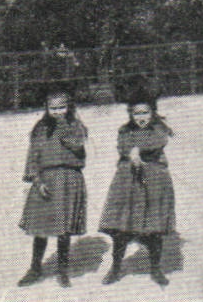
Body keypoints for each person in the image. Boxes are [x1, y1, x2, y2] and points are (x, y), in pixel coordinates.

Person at [98, 81, 176, 287]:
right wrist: (130, 151)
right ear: (130, 114)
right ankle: (115, 268)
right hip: (128, 183)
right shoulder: (124, 131)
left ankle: (156, 269)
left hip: (154, 183)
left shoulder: (160, 128)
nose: (141, 118)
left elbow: (158, 142)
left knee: (153, 229)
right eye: (136, 114)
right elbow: (122, 146)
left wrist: (137, 149)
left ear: (153, 112)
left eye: (145, 113)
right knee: (122, 229)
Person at [17, 90, 89, 287]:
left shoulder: (76, 126)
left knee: (63, 228)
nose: (58, 112)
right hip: (46, 180)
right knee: (41, 228)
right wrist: (37, 181)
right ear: (47, 109)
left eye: (62, 108)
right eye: (53, 108)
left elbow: (77, 146)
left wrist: (64, 127)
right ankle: (35, 268)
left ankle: (62, 270)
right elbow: (33, 156)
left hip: (68, 179)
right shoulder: (40, 128)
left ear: (69, 107)